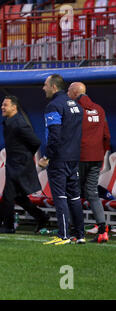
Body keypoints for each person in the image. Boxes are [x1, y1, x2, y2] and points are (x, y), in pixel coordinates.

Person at [39, 74, 85, 245]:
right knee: (74, 197)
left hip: (59, 158)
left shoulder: (54, 106)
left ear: (53, 87)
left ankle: (63, 235)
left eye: (45, 85)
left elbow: (55, 134)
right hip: (74, 157)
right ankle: (80, 235)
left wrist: (47, 156)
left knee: (60, 197)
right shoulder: (76, 106)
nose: (43, 88)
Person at [0, 96, 50, 234]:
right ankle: (42, 217)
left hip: (20, 165)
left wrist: (25, 155)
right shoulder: (8, 122)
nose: (2, 107)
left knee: (8, 196)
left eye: (5, 105)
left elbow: (35, 142)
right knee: (19, 197)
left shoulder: (19, 123)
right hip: (13, 164)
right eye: (2, 104)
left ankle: (8, 226)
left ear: (14, 107)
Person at [67, 82, 111, 243]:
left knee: (74, 193)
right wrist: (101, 152)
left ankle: (75, 231)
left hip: (79, 157)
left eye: (68, 90)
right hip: (97, 157)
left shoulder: (73, 109)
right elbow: (106, 136)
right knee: (92, 193)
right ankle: (102, 231)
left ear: (74, 92)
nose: (67, 93)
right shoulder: (99, 109)